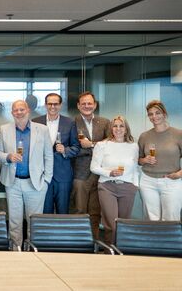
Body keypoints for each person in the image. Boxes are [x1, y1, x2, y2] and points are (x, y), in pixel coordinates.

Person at [0, 100, 53, 248]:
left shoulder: (42, 129)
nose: (19, 112)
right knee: (15, 222)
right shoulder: (4, 129)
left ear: (28, 110)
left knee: (34, 222)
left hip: (35, 183)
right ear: (12, 112)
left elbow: (48, 156)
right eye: (16, 110)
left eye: (22, 109)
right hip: (13, 182)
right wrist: (8, 157)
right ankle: (16, 253)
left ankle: (33, 252)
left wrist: (46, 180)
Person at [90, 116, 139, 245]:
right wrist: (109, 173)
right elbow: (94, 167)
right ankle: (110, 253)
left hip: (128, 188)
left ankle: (122, 252)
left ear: (126, 129)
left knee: (123, 224)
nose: (118, 129)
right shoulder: (102, 145)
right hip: (107, 187)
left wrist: (135, 185)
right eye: (115, 126)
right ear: (111, 128)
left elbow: (135, 168)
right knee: (111, 224)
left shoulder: (134, 146)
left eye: (121, 126)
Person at [33, 93, 80, 214]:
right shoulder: (35, 122)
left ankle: (62, 233)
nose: (52, 106)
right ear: (45, 105)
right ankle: (45, 233)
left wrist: (65, 150)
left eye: (56, 104)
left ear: (60, 105)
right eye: (50, 104)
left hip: (63, 175)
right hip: (42, 175)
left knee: (63, 211)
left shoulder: (70, 123)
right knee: (44, 211)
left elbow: (76, 147)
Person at [72, 91, 111, 239]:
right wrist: (89, 147)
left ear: (94, 105)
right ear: (78, 106)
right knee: (79, 210)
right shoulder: (71, 122)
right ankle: (79, 243)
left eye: (90, 103)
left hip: (99, 173)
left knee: (95, 212)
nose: (87, 106)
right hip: (79, 173)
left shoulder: (105, 122)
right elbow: (71, 147)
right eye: (84, 103)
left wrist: (91, 145)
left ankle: (94, 243)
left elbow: (109, 145)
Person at [138, 100, 182, 221]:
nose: (154, 116)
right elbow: (138, 160)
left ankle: (170, 240)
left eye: (157, 113)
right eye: (150, 114)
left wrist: (180, 174)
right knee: (151, 218)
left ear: (164, 114)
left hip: (171, 181)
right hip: (148, 181)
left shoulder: (178, 134)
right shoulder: (144, 136)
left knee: (171, 218)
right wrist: (145, 160)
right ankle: (153, 240)